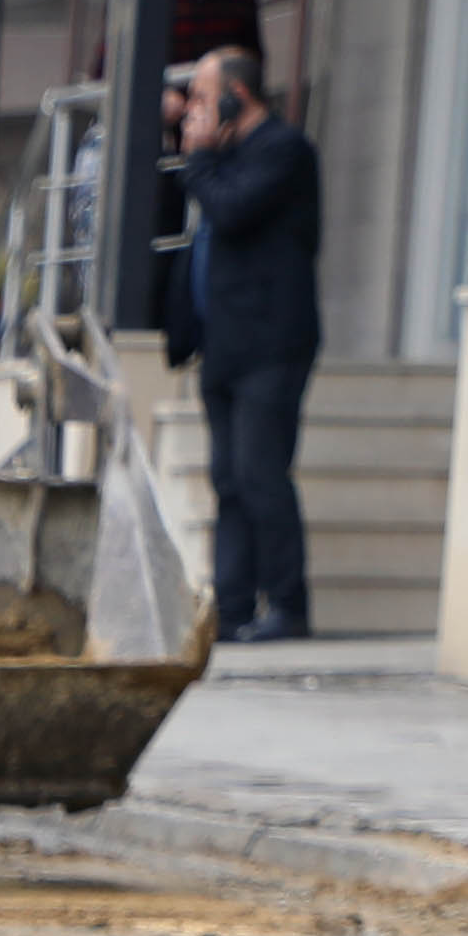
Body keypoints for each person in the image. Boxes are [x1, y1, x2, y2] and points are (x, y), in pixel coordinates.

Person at [166, 49, 322, 644]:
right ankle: (231, 608)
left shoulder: (283, 151)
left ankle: (287, 604)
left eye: (204, 97)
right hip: (224, 344)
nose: (196, 112)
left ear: (237, 95)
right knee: (227, 480)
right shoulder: (227, 159)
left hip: (271, 343)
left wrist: (200, 157)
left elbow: (230, 213)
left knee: (262, 475)